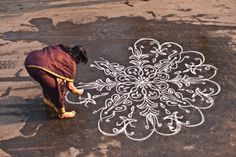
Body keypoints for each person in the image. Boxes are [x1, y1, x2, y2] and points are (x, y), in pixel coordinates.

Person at [24, 44, 88, 119]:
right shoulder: (71, 63)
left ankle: (47, 100)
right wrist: (78, 91)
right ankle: (62, 113)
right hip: (38, 68)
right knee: (57, 87)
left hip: (31, 59)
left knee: (48, 80)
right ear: (79, 59)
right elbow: (70, 87)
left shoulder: (61, 48)